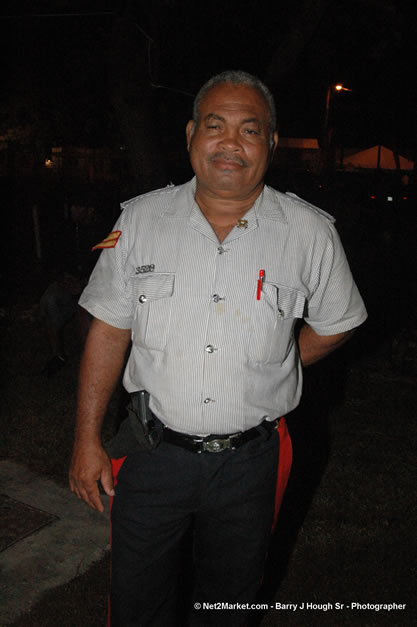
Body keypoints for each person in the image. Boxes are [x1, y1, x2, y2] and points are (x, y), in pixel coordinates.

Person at [69, 70, 367, 626]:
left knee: (229, 602)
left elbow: (338, 322)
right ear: (190, 135)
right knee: (135, 603)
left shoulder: (310, 234)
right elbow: (109, 328)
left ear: (271, 145)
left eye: (250, 130)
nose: (231, 143)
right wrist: (87, 439)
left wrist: (280, 360)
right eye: (216, 125)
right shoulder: (139, 221)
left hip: (253, 461)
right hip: (151, 453)